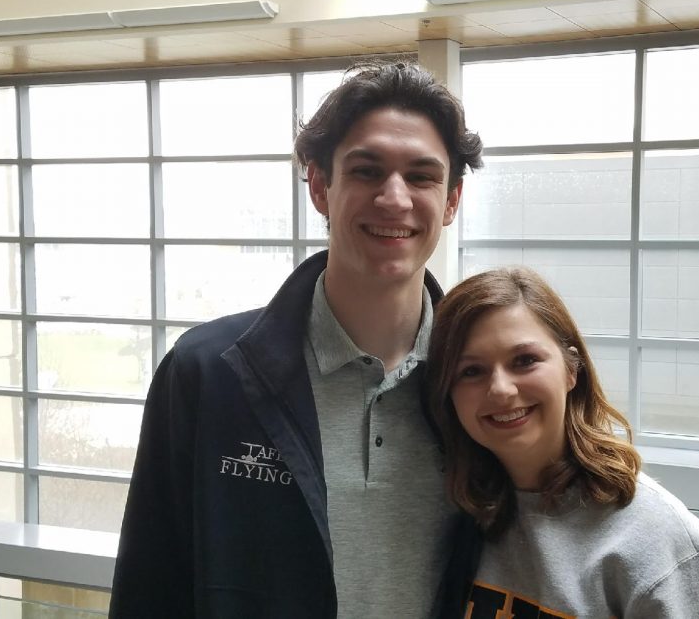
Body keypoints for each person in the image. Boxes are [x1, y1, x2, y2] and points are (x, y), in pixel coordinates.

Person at [109, 61, 483, 618]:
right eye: (366, 170)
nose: (394, 198)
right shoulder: (208, 374)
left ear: (451, 200)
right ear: (319, 185)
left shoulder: (482, 387)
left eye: (422, 176)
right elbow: (149, 586)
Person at [427, 268, 699, 618]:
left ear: (572, 369)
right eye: (471, 371)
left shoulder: (655, 539)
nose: (501, 389)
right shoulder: (458, 515)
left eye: (525, 361)